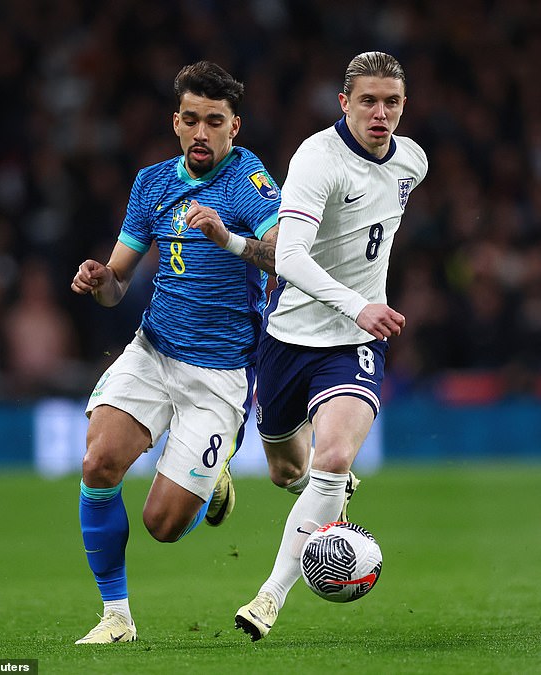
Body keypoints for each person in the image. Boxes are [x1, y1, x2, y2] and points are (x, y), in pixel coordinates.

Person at [71, 61, 280, 644]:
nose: (201, 133)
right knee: (98, 463)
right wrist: (99, 279)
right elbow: (116, 286)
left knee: (162, 525)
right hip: (154, 349)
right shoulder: (152, 185)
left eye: (215, 121)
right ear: (176, 122)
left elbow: (283, 254)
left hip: (219, 374)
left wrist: (228, 238)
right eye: (191, 120)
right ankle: (116, 617)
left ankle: (215, 480)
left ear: (234, 126)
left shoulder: (250, 182)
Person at [234, 51, 428, 641]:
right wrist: (359, 301)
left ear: (403, 106)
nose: (380, 113)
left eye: (391, 102)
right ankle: (329, 495)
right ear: (343, 102)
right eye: (368, 100)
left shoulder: (413, 161)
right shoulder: (318, 159)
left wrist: (363, 312)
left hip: (353, 343)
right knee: (285, 470)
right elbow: (290, 257)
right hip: (288, 337)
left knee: (335, 459)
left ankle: (268, 597)